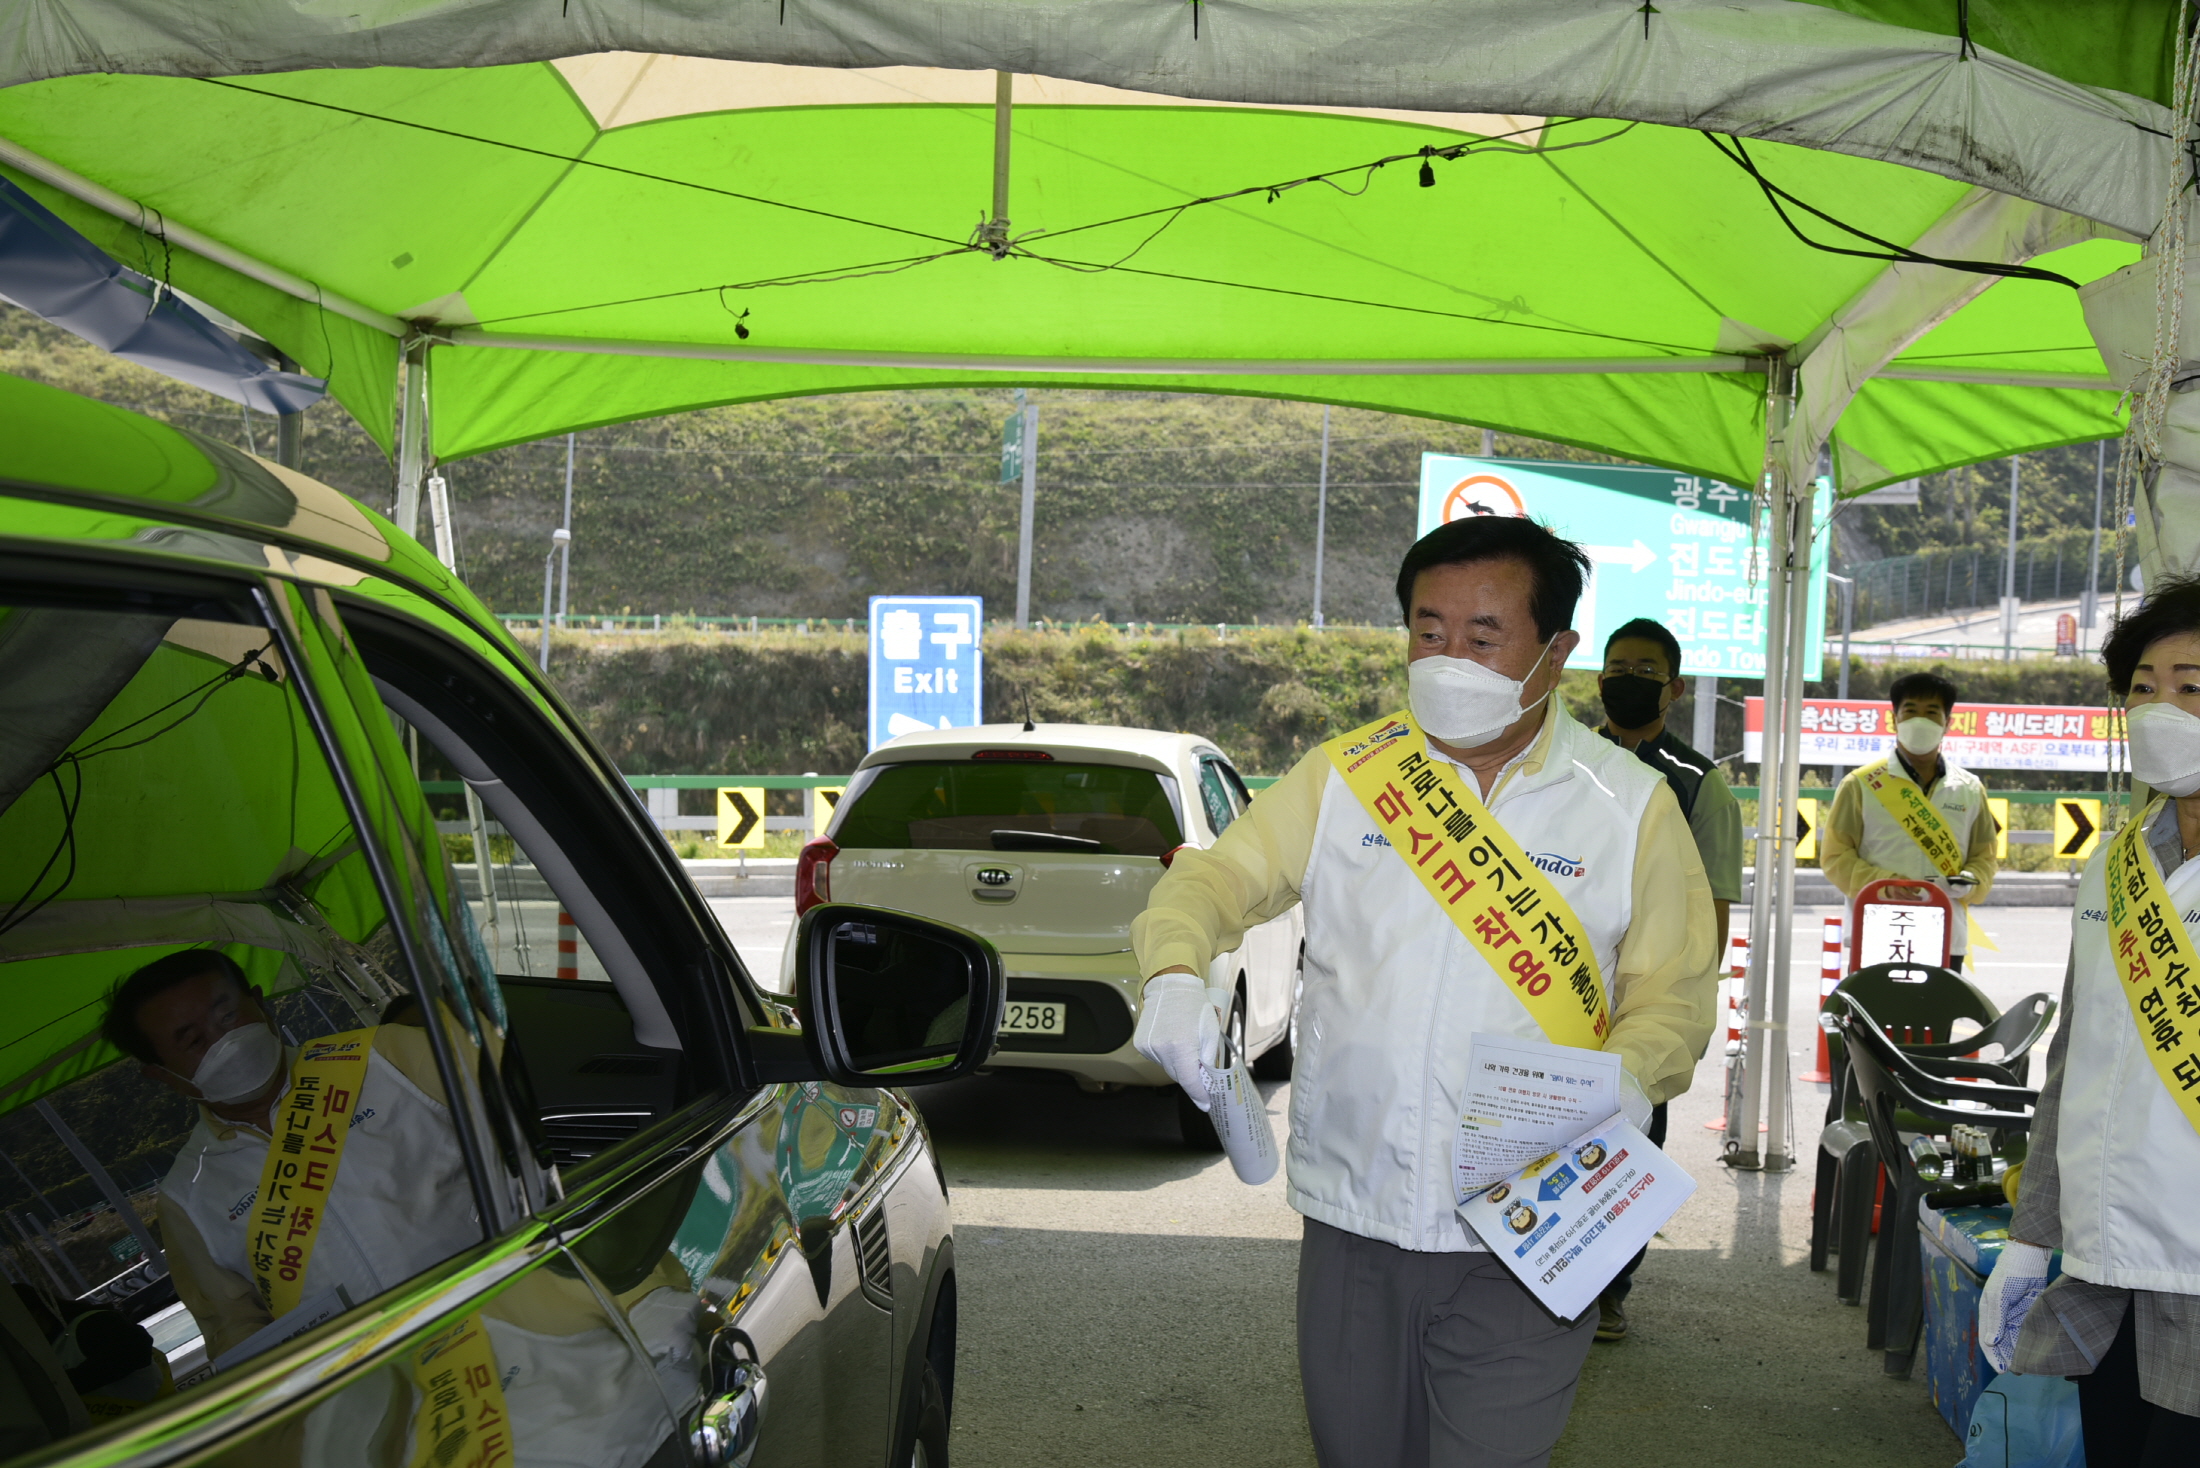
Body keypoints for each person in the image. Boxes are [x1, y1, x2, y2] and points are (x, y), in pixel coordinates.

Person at [1129, 516, 1718, 1468]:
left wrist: (1611, 1084)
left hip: (1530, 1227)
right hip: (1355, 1220)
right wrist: (1170, 971)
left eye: (1483, 638)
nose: (1449, 658)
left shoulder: (1630, 808)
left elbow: (1676, 998)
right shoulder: (1350, 778)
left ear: (1556, 652)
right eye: (1427, 630)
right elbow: (1212, 881)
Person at [1980, 578, 2200, 1465]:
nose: (2160, 709)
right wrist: (2031, 1242)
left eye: (2192, 685)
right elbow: (2071, 1064)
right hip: (2104, 1262)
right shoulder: (2116, 863)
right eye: (2142, 687)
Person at [100, 949, 478, 1361]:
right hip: (392, 1401)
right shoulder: (189, 1198)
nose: (224, 1042)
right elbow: (236, 1333)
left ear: (261, 1005)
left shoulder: (387, 1057)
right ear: (161, 1074)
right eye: (193, 1040)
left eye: (227, 1017)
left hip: (516, 1319)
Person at [1589, 616, 1745, 1341]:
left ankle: (1610, 1287)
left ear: (1675, 689)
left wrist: (1683, 1003)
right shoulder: (1559, 759)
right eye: (1617, 666)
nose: (1628, 679)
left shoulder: (1698, 785)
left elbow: (1710, 907)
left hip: (1643, 998)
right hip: (1559, 987)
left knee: (1631, 1138)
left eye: (1646, 670)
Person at [1819, 671, 1996, 969]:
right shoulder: (1860, 784)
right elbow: (1835, 857)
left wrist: (1969, 883)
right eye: (1911, 711)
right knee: (1873, 1015)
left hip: (1945, 931)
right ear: (1894, 719)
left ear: (1947, 722)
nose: (1920, 721)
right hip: (1878, 927)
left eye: (1931, 713)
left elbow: (1985, 859)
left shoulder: (1969, 788)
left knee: (1936, 1014)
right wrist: (1885, 885)